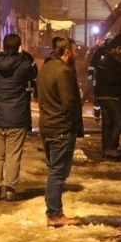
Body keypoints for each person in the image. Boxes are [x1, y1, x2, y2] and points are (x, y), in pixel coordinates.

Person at [0, 34, 38, 202]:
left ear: (3, 46)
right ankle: (10, 191)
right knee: (13, 155)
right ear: (19, 46)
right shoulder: (23, 63)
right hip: (17, 117)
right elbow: (34, 72)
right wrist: (22, 55)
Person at [37, 37, 85, 227]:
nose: (76, 54)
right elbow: (69, 103)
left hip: (47, 126)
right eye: (74, 51)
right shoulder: (63, 71)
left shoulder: (45, 68)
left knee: (54, 171)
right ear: (66, 52)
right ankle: (54, 214)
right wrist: (74, 125)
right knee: (57, 173)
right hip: (61, 128)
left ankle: (55, 212)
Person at [94, 34, 121, 160]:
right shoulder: (112, 61)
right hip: (112, 95)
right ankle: (110, 148)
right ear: (114, 48)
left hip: (103, 95)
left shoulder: (105, 59)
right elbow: (112, 78)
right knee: (120, 121)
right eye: (120, 48)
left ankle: (106, 150)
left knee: (108, 123)